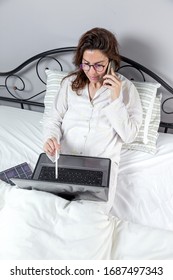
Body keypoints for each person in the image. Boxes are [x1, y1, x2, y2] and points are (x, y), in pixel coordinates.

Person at [43, 27, 142, 212]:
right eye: (86, 64)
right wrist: (51, 138)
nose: (91, 71)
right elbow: (53, 119)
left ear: (111, 62)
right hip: (64, 163)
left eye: (99, 65)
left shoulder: (126, 90)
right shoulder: (69, 84)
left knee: (87, 220)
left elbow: (129, 136)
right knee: (45, 212)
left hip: (100, 171)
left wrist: (115, 99)